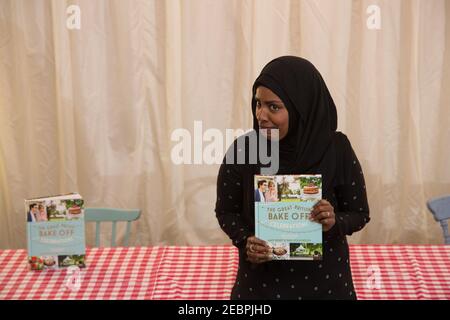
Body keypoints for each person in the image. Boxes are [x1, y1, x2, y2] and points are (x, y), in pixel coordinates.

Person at [215, 56, 370, 300]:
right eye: (257, 104)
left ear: (301, 108)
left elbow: (359, 213)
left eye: (273, 107)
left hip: (326, 286)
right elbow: (226, 211)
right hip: (260, 287)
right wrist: (246, 241)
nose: (261, 115)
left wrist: (334, 221)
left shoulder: (336, 149)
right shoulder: (244, 151)